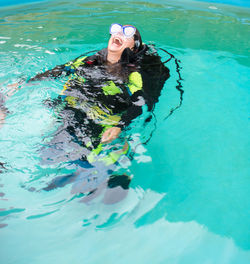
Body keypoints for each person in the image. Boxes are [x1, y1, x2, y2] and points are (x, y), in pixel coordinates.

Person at [4, 24, 170, 195]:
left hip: (105, 118)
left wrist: (119, 125)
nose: (119, 34)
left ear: (133, 47)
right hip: (74, 108)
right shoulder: (90, 60)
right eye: (116, 30)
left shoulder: (133, 75)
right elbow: (61, 70)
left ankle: (99, 181)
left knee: (89, 166)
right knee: (46, 155)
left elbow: (138, 103)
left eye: (127, 33)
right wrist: (27, 81)